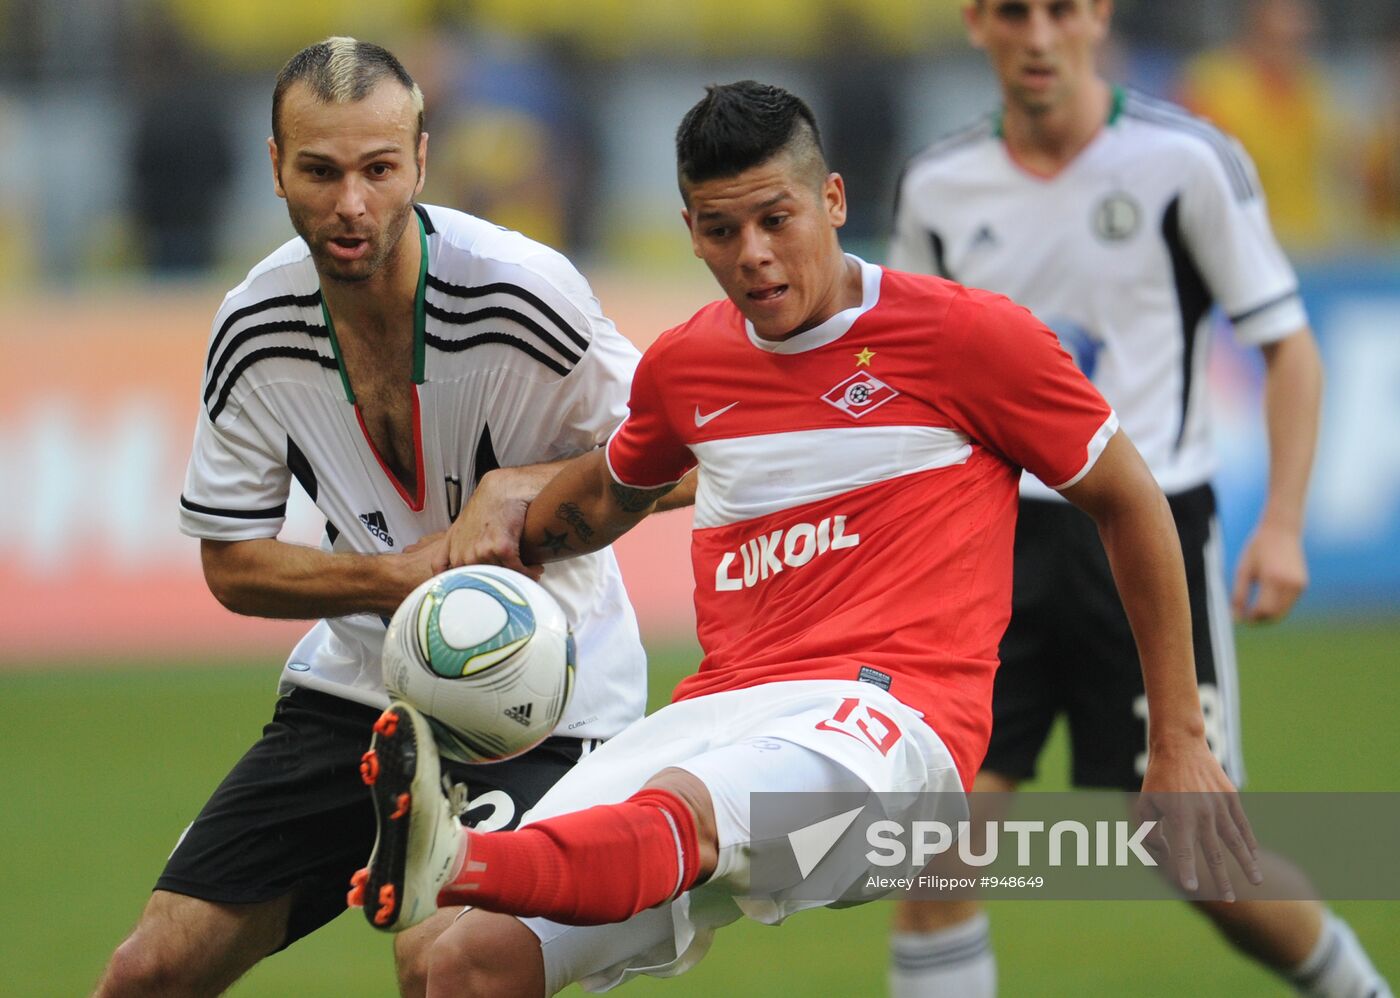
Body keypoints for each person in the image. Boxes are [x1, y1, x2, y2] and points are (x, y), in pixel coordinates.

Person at [350, 79, 1257, 998]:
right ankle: (450, 867)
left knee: (680, 821)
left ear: (832, 199)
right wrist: (507, 506)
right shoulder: (686, 367)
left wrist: (1179, 735)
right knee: (448, 961)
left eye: (775, 219)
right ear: (690, 226)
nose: (752, 256)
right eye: (718, 230)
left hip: (890, 727)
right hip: (726, 706)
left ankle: (451, 854)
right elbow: (609, 495)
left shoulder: (971, 340)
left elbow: (1131, 499)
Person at [95, 37, 660, 997]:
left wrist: (518, 485)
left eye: (378, 169)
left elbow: (676, 458)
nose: (351, 202)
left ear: (422, 163)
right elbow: (232, 563)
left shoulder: (523, 294)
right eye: (320, 170)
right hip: (362, 686)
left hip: (540, 696)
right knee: (148, 971)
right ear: (275, 166)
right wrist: (395, 577)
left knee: (443, 967)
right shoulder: (253, 326)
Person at [888, 3, 1389, 997]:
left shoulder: (1184, 162)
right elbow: (910, 383)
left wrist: (1281, 522)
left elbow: (1286, 344)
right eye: (1010, 13)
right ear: (972, 24)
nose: (1036, 36)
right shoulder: (937, 186)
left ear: (1095, 18)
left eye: (1058, 11)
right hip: (988, 548)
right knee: (935, 850)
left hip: (1145, 532)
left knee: (1191, 850)